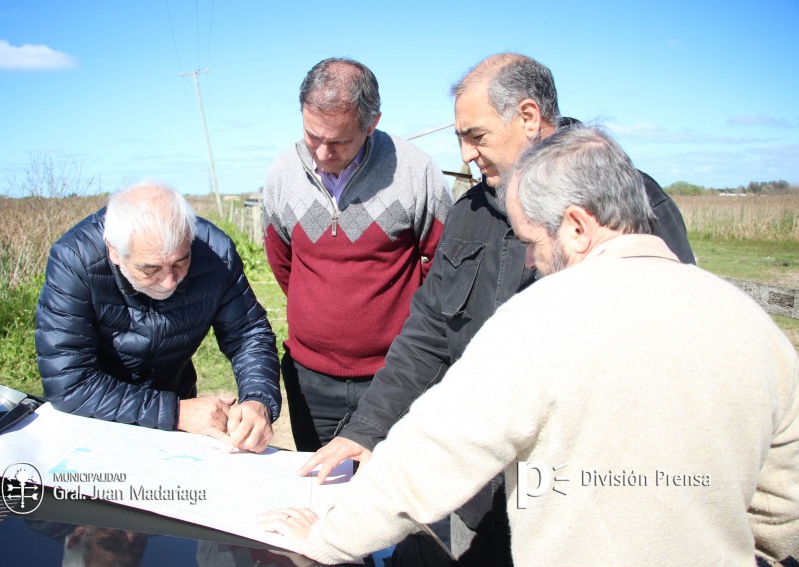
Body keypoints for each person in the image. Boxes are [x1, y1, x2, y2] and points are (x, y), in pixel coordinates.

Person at [260, 124, 799, 566]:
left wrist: (327, 538)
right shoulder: (753, 327)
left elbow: (429, 459)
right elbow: (784, 505)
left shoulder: (538, 320)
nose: (528, 261)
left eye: (530, 241)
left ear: (578, 228)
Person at [300, 53, 696, 564]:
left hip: (576, 502)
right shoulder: (469, 213)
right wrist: (367, 431)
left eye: (477, 136)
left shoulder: (630, 205)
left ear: (528, 117)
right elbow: (427, 333)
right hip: (476, 495)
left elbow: (673, 359)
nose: (465, 155)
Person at [262, 58, 452, 451]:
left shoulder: (414, 171)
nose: (322, 152)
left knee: (395, 499)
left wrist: (405, 331)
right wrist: (321, 312)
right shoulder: (282, 173)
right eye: (312, 135)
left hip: (397, 376)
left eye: (339, 141)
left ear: (372, 123)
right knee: (320, 493)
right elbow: (282, 261)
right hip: (309, 378)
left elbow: (444, 261)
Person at [35, 182, 281, 453]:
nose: (168, 282)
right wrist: (176, 412)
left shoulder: (215, 253)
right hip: (94, 421)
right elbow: (69, 382)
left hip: (176, 410)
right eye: (149, 269)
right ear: (114, 251)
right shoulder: (75, 260)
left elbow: (247, 334)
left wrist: (258, 400)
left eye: (180, 262)